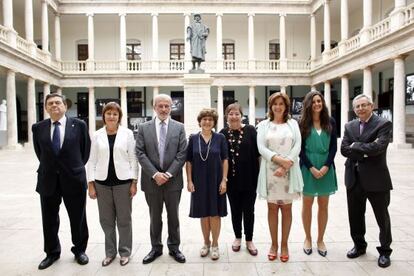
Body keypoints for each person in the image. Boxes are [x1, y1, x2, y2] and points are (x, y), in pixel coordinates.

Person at [32, 93, 91, 270]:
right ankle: (51, 253)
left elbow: (85, 151)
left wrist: (73, 168)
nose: (54, 105)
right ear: (46, 108)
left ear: (65, 106)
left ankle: (80, 250)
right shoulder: (38, 127)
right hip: (48, 179)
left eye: (58, 102)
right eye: (50, 103)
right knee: (48, 219)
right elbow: (39, 153)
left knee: (78, 217)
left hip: (73, 178)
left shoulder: (79, 125)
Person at [341, 94, 393, 268]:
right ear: (354, 109)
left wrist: (356, 146)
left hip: (376, 179)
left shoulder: (383, 124)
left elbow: (379, 147)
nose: (361, 109)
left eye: (364, 105)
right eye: (357, 106)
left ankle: (385, 251)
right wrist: (365, 150)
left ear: (371, 106)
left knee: (382, 217)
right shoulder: (349, 126)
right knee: (355, 216)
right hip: (353, 178)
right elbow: (344, 149)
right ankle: (359, 246)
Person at [136, 94, 187, 264]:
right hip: (152, 182)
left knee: (173, 217)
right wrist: (155, 174)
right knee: (154, 217)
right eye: (161, 106)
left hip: (173, 182)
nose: (164, 109)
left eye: (167, 106)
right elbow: (140, 153)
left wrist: (168, 174)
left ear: (171, 107)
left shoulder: (179, 127)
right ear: (155, 107)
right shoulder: (144, 128)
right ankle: (155, 248)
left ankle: (174, 247)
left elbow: (182, 154)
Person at [87, 102, 138, 267]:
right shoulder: (96, 135)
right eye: (108, 113)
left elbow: (133, 159)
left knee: (124, 220)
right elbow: (91, 160)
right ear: (103, 116)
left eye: (115, 114)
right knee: (106, 220)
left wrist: (134, 182)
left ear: (119, 117)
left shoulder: (128, 134)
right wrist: (91, 184)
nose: (111, 116)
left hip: (123, 183)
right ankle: (110, 253)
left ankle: (125, 252)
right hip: (102, 184)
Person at [256, 92, 303, 262]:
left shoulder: (293, 124)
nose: (278, 107)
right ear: (271, 106)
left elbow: (298, 145)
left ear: (286, 106)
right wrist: (278, 160)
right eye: (275, 104)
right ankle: (274, 244)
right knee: (273, 208)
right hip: (270, 172)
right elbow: (261, 147)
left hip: (289, 171)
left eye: (281, 104)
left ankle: (284, 245)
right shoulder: (263, 125)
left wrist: (287, 163)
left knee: (287, 208)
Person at [186, 108, 228, 260]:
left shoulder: (220, 138)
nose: (207, 122)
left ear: (214, 122)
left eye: (210, 119)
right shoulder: (193, 138)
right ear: (200, 121)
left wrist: (224, 180)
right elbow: (189, 161)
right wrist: (189, 180)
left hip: (216, 181)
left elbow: (225, 160)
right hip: (199, 182)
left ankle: (215, 244)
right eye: (204, 119)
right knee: (203, 214)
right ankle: (206, 243)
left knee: (215, 214)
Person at [299, 91, 337, 257]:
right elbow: (300, 150)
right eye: (313, 101)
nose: (317, 104)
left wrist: (326, 166)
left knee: (324, 205)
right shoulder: (302, 123)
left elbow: (334, 147)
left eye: (319, 101)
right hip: (308, 168)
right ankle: (307, 238)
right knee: (307, 205)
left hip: (326, 167)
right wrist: (311, 167)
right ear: (308, 104)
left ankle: (320, 239)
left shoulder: (330, 121)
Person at [219, 103, 260, 256]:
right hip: (231, 180)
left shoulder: (250, 130)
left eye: (237, 113)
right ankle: (237, 237)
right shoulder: (222, 133)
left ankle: (249, 239)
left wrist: (261, 176)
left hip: (250, 178)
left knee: (249, 210)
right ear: (226, 116)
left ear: (241, 115)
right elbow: (221, 158)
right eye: (231, 114)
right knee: (235, 210)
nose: (234, 116)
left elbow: (258, 155)